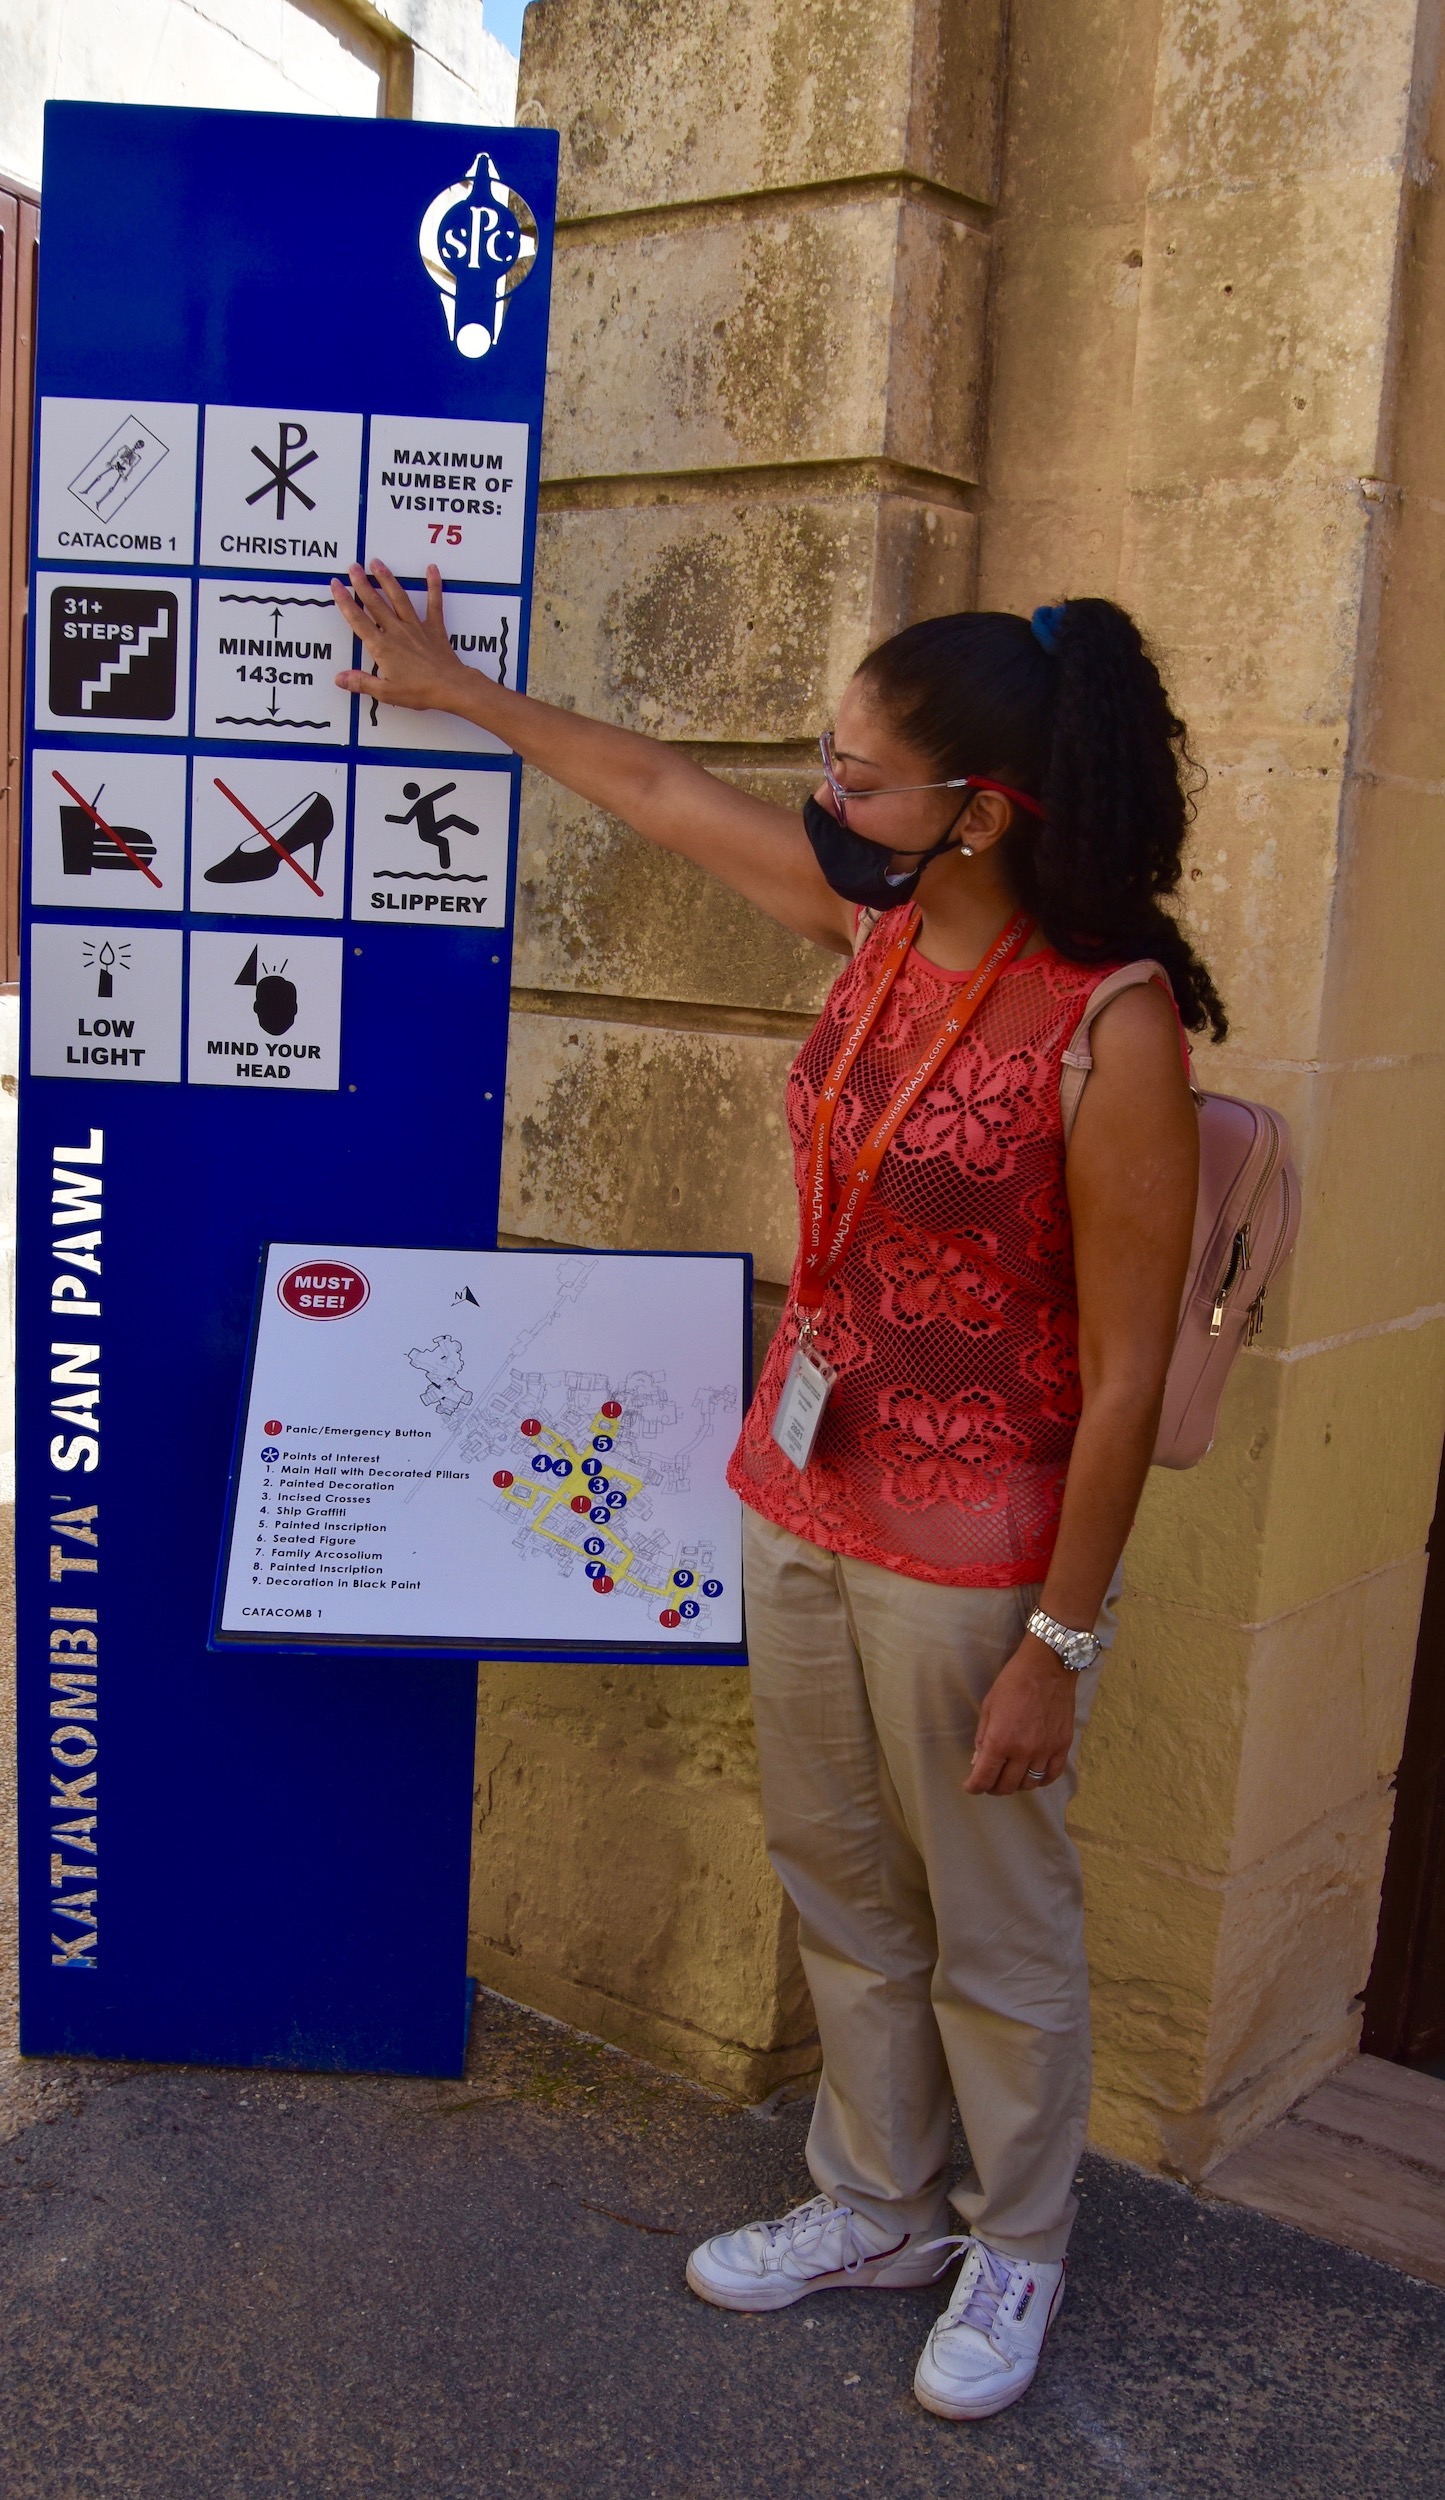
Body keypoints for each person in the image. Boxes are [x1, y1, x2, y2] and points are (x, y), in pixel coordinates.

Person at [329, 562, 1213, 2423]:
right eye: (829, 757)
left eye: (861, 773)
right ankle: (876, 2201)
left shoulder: (1108, 1024)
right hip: (800, 1496)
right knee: (833, 1873)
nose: (825, 795)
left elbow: (1128, 1372)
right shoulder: (870, 926)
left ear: (982, 809)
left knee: (993, 1911)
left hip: (978, 1552)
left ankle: (1017, 2242)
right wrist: (456, 686)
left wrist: (1062, 1634)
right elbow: (657, 790)